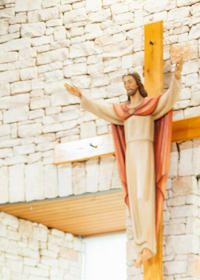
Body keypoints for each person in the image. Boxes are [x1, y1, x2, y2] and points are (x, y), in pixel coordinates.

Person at [65, 64, 182, 268]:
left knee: (143, 196)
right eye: (124, 83)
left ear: (138, 84)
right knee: (134, 198)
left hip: (145, 151)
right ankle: (142, 246)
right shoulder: (122, 111)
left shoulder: (150, 106)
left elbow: (169, 99)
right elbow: (100, 108)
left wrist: (177, 78)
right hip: (131, 154)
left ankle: (148, 246)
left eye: (129, 82)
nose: (127, 85)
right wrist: (81, 96)